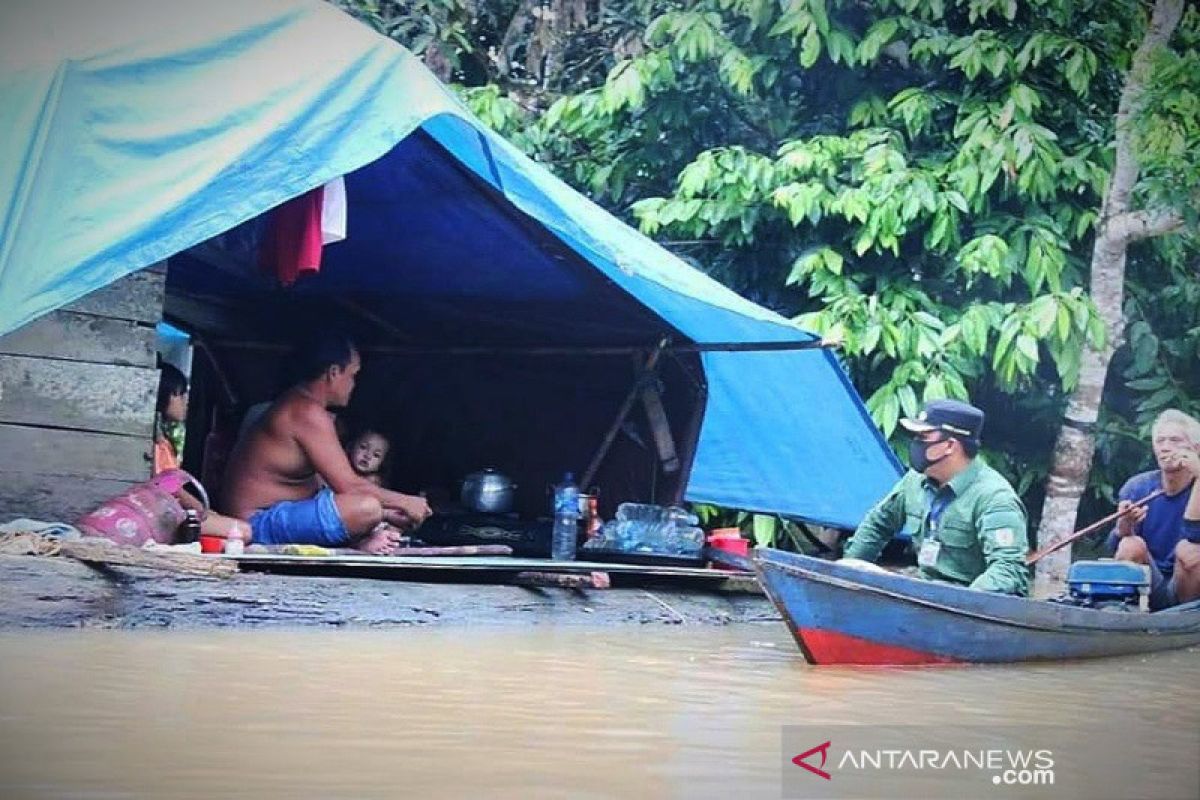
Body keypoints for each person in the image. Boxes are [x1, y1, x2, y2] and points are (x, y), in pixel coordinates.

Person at [220, 331, 431, 554]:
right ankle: (358, 544)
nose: (353, 384)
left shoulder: (303, 405)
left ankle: (360, 541)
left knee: (377, 510)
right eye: (352, 375)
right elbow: (350, 486)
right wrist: (407, 502)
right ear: (333, 373)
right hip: (254, 524)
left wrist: (389, 511)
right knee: (367, 509)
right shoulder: (306, 411)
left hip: (277, 516)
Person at [841, 399, 1029, 595]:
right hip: (924, 593)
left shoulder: (994, 498)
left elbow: (1008, 571)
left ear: (949, 445)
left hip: (968, 608)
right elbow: (878, 524)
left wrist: (959, 604)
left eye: (923, 436)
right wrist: (845, 573)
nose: (915, 444)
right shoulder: (915, 481)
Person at [1108, 409, 1200, 609]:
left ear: (1196, 448)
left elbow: (1194, 535)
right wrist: (1123, 528)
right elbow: (1114, 549)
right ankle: (1123, 611)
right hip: (1150, 581)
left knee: (1189, 550)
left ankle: (1184, 623)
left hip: (1190, 590)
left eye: (1175, 440)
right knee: (1130, 544)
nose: (1166, 448)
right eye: (1160, 441)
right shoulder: (1138, 487)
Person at [153, 362, 250, 543]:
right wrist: (202, 509)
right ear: (163, 396)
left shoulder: (161, 441)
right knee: (243, 531)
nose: (186, 401)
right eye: (180, 394)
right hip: (165, 515)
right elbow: (167, 486)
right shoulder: (156, 446)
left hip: (171, 511)